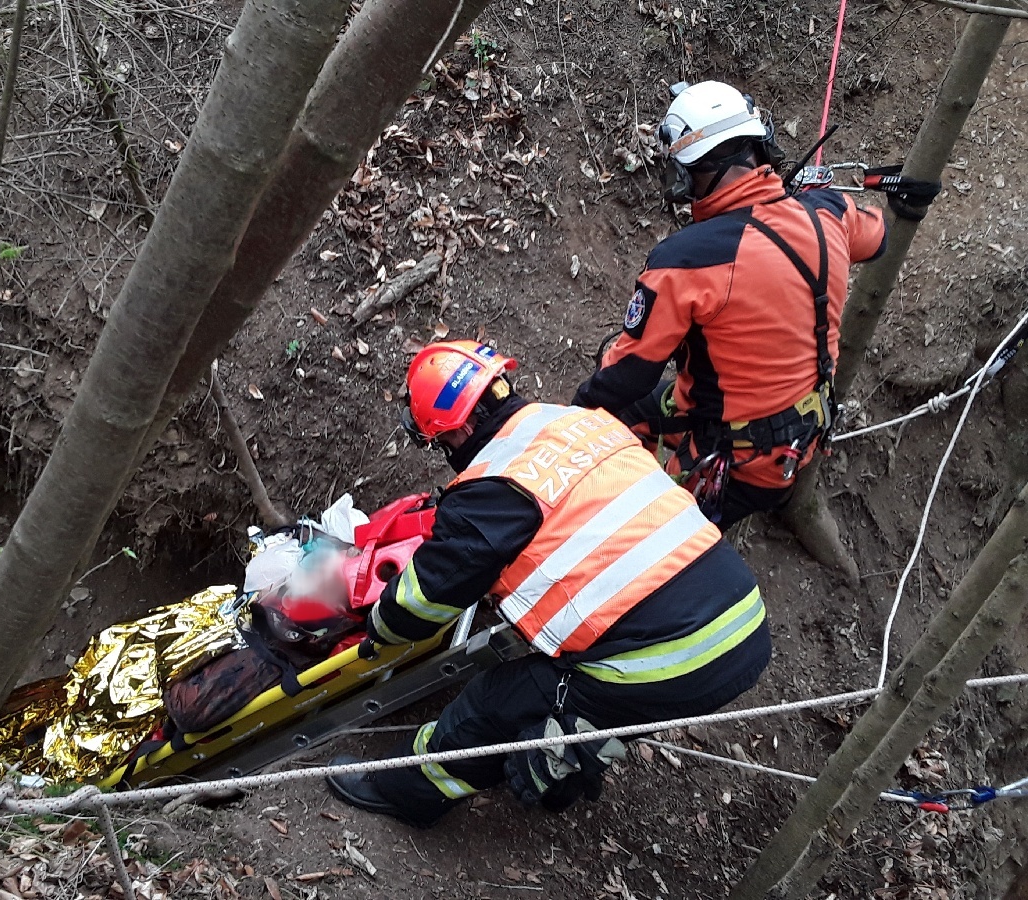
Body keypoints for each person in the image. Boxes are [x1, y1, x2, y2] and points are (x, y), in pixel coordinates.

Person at [325, 340, 770, 827]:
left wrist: (379, 629)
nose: (446, 453)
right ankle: (582, 737)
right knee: (574, 701)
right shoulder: (580, 422)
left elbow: (423, 600)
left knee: (496, 702)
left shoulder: (492, 489)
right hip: (741, 618)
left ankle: (406, 790)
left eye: (441, 443)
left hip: (671, 655)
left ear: (463, 429)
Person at [572, 80, 888, 529]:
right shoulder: (830, 214)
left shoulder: (686, 260)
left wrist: (567, 422)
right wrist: (801, 200)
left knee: (642, 523)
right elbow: (878, 237)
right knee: (643, 410)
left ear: (691, 172)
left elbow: (625, 376)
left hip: (731, 462)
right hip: (802, 438)